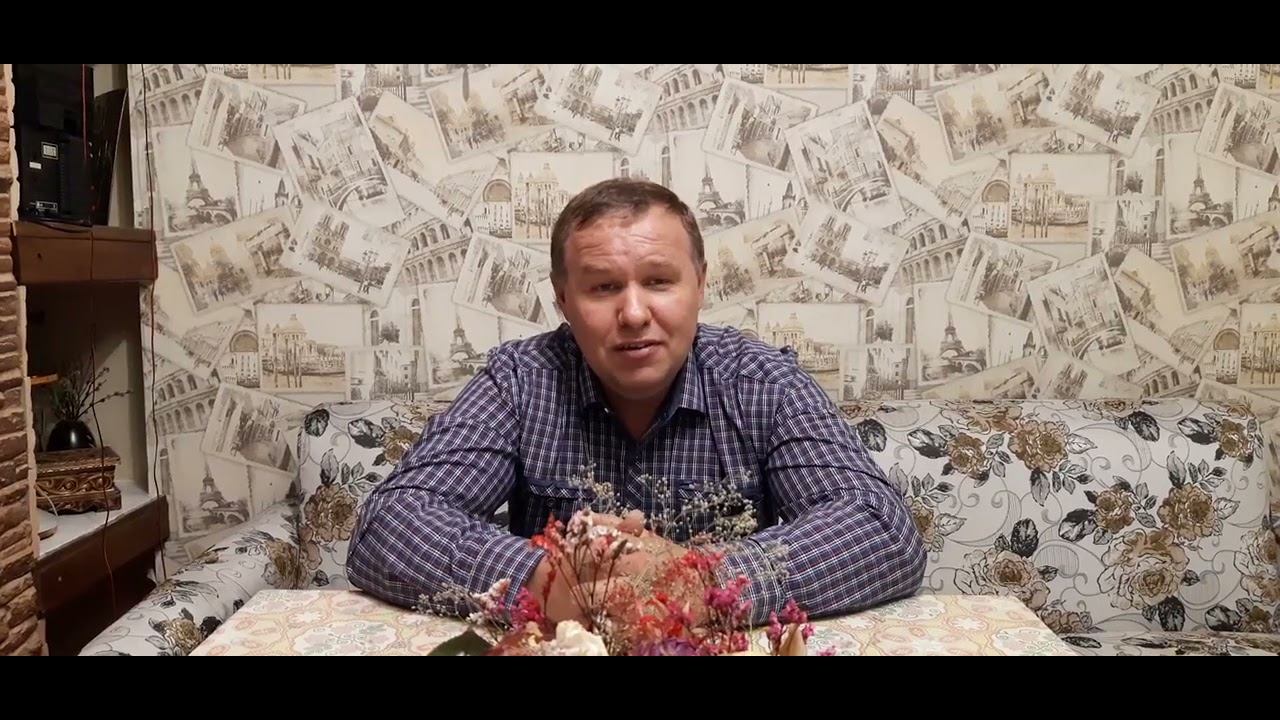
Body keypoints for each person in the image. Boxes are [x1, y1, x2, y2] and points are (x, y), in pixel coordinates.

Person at [346, 178, 926, 625]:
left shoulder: (763, 382)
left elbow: (881, 528)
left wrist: (699, 582)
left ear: (700, 284)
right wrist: (544, 581)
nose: (632, 313)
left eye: (658, 281)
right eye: (603, 287)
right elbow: (390, 523)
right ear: (563, 300)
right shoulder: (519, 381)